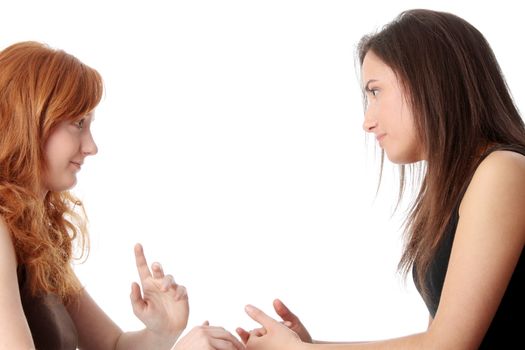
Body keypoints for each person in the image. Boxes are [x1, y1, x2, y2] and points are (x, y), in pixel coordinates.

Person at [237, 9, 525, 350]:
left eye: (375, 91)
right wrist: (313, 346)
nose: (367, 121)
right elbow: (434, 340)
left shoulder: (503, 171)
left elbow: (448, 345)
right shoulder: (463, 184)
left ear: (429, 82)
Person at [0, 41, 243, 350]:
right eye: (78, 123)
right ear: (30, 120)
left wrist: (162, 331)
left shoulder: (36, 238)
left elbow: (112, 345)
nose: (91, 146)